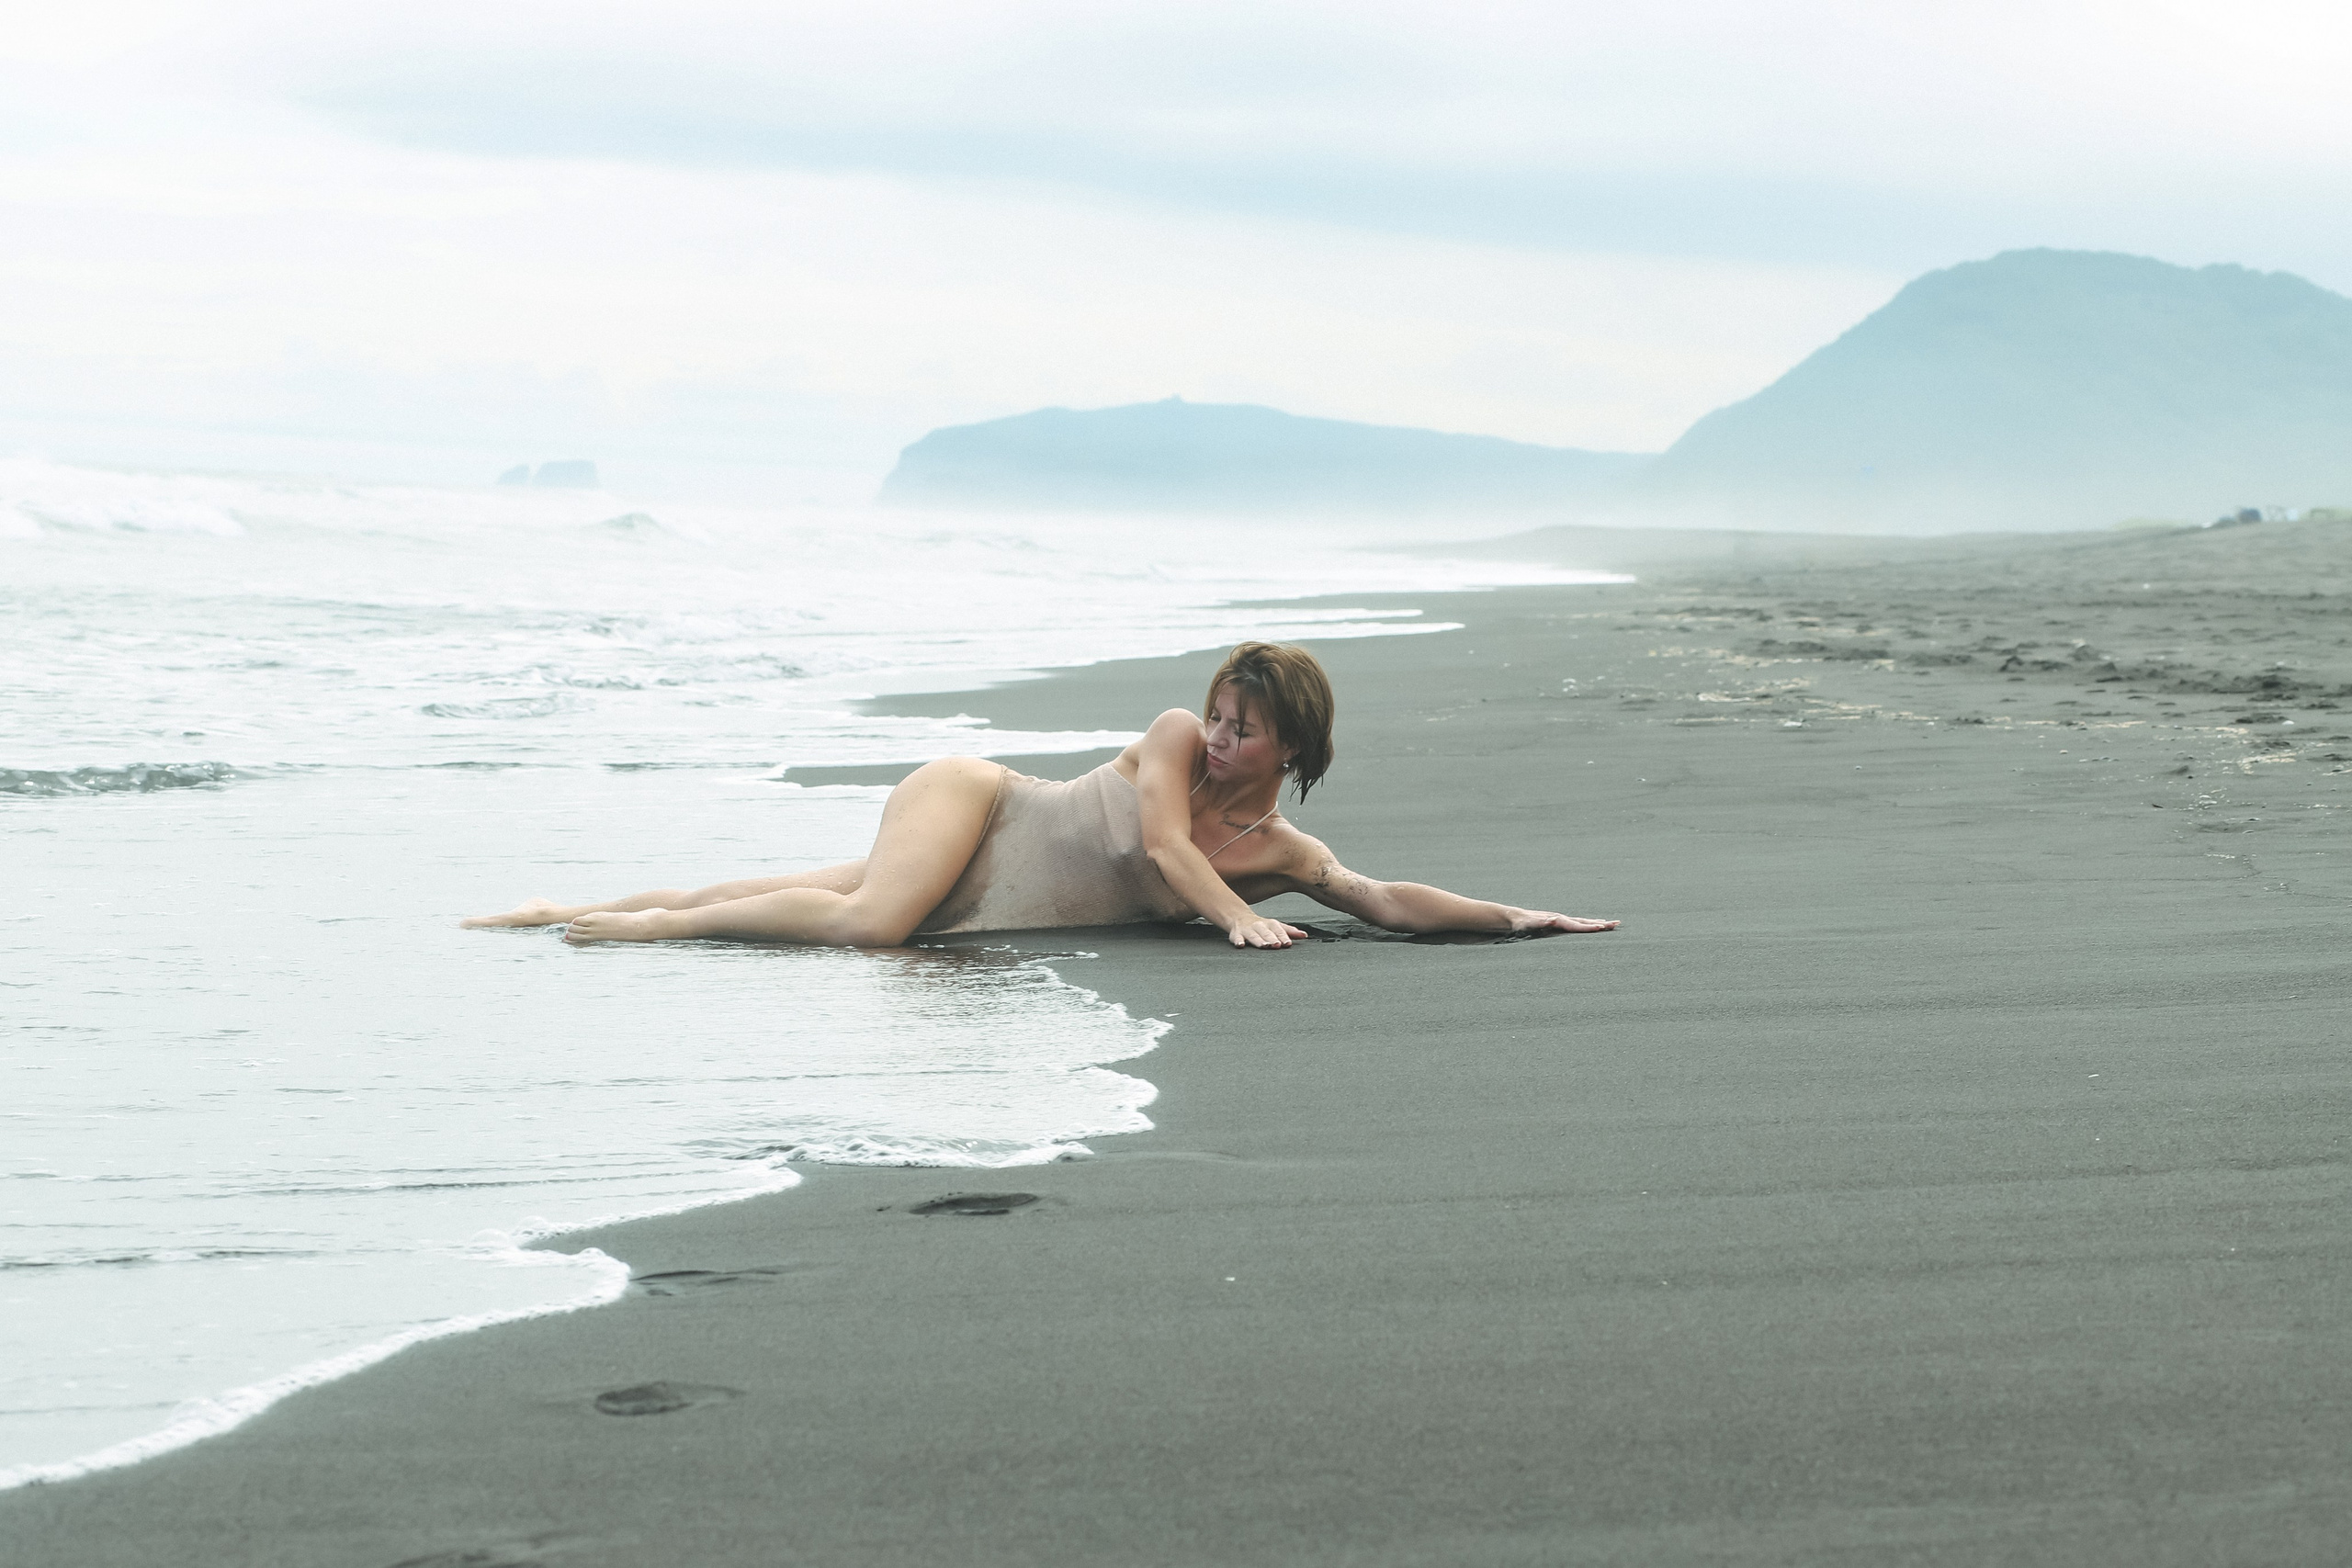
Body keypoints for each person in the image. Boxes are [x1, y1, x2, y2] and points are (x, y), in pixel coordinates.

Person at [461, 641, 1618, 949]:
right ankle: (638, 932)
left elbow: (1381, 900)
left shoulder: (1280, 854)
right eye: (1217, 715)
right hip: (978, 805)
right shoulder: (1171, 745)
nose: (1218, 738)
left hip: (977, 892)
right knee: (868, 926)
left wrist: (1521, 916)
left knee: (769, 888)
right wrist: (1234, 920)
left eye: (1243, 728)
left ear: (1289, 746)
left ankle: (544, 912)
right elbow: (1166, 846)